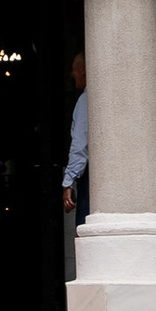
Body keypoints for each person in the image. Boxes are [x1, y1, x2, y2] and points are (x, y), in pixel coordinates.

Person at [61, 48, 89, 224]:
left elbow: (80, 143)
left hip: (90, 176)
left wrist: (68, 181)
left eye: (74, 68)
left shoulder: (86, 99)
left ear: (84, 69)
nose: (72, 74)